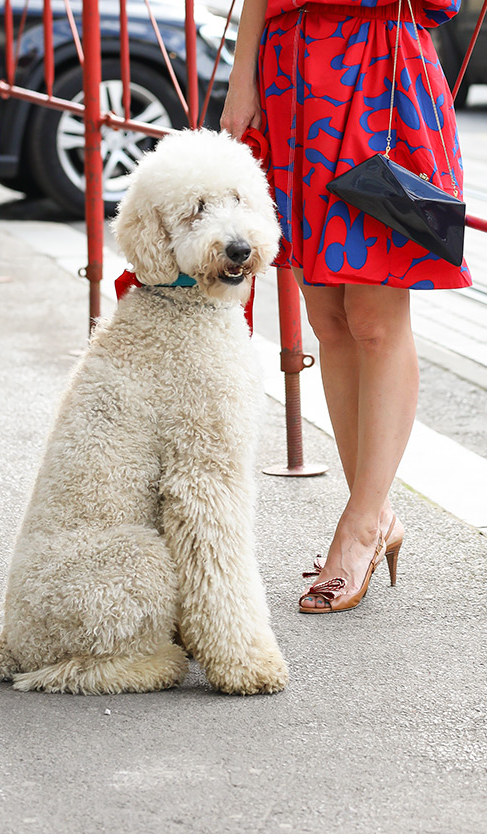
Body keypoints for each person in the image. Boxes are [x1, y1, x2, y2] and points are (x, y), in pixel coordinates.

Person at [221, 0, 472, 612]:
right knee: (328, 322)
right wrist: (242, 75)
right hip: (292, 73)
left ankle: (359, 525)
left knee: (375, 324)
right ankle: (376, 511)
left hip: (379, 75)